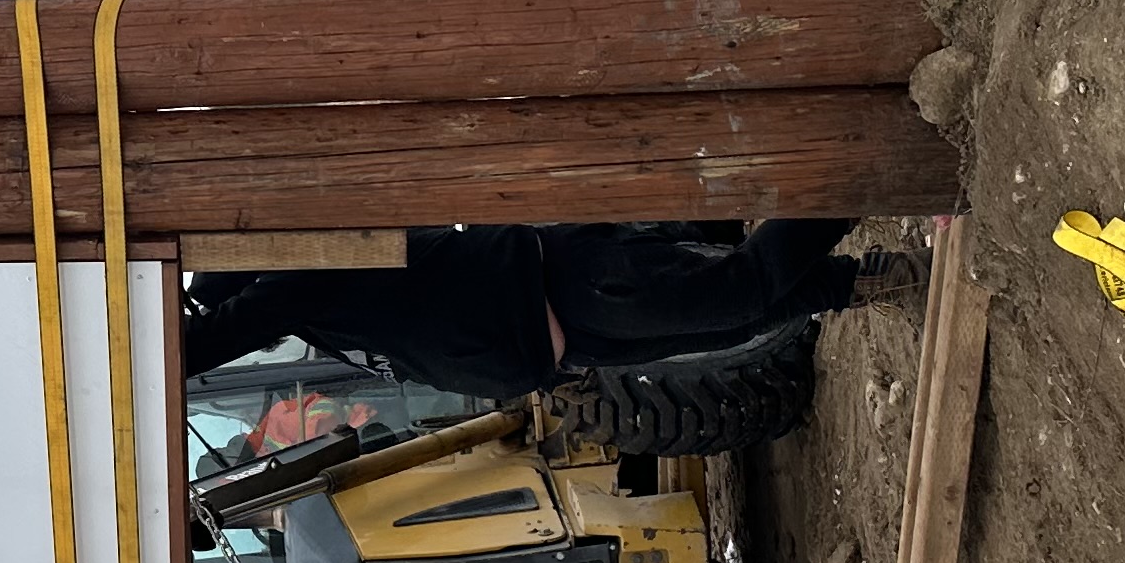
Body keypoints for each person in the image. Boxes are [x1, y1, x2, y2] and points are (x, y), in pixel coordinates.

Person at [179, 220, 878, 400]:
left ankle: (867, 172)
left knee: (742, 289)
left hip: (570, 283)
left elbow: (211, 339)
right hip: (569, 340)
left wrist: (140, 346)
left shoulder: (305, 277)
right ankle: (878, 280)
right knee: (738, 320)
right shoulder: (313, 315)